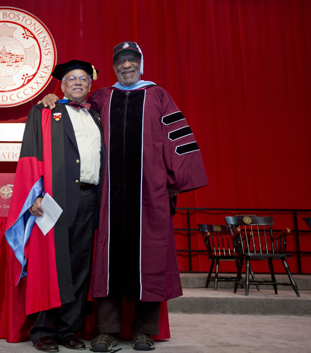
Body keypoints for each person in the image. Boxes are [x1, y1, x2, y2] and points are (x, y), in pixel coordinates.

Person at [41, 42, 208, 351]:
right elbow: (74, 116)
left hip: (149, 195)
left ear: (141, 64)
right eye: (121, 62)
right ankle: (107, 330)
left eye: (132, 60)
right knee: (108, 260)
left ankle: (144, 330)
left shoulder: (159, 96)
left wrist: (172, 183)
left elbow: (177, 139)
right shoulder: (103, 97)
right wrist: (53, 98)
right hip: (108, 197)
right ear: (114, 67)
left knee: (151, 260)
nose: (127, 66)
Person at [5, 60, 105, 352]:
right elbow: (30, 156)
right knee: (48, 263)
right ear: (61, 85)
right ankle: (42, 330)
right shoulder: (45, 111)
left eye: (83, 79)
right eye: (72, 78)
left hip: (91, 198)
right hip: (53, 199)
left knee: (80, 267)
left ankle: (68, 329)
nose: (78, 82)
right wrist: (32, 195)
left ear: (90, 85)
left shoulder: (97, 116)